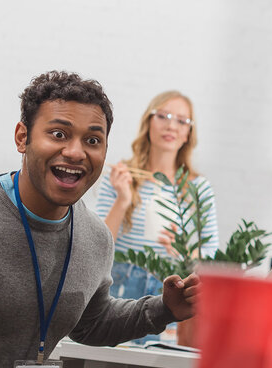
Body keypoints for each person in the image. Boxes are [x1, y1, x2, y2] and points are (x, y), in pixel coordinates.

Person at [0, 71, 199, 368]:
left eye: (92, 140)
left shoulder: (96, 237)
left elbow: (93, 322)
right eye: (58, 134)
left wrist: (164, 309)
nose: (76, 152)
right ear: (22, 137)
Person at [94, 91, 219, 345]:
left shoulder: (198, 188)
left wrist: (184, 252)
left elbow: (210, 258)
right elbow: (98, 245)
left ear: (188, 134)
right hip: (120, 289)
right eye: (163, 116)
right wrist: (123, 200)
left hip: (170, 293)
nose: (171, 125)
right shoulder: (120, 176)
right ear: (149, 122)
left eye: (182, 121)